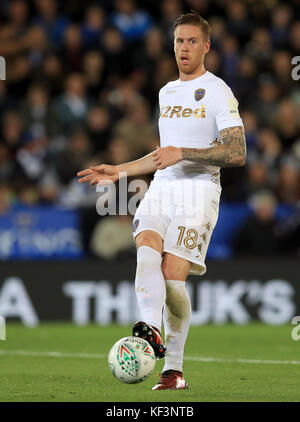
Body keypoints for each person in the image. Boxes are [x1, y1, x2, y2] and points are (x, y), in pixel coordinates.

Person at [77, 11, 246, 391]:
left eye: (191, 41)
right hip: (162, 187)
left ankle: (173, 369)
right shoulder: (166, 92)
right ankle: (150, 329)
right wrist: (118, 171)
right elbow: (162, 155)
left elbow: (237, 152)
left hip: (199, 189)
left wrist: (185, 152)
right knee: (146, 250)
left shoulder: (218, 91)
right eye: (178, 42)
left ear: (206, 46)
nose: (183, 48)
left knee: (172, 277)